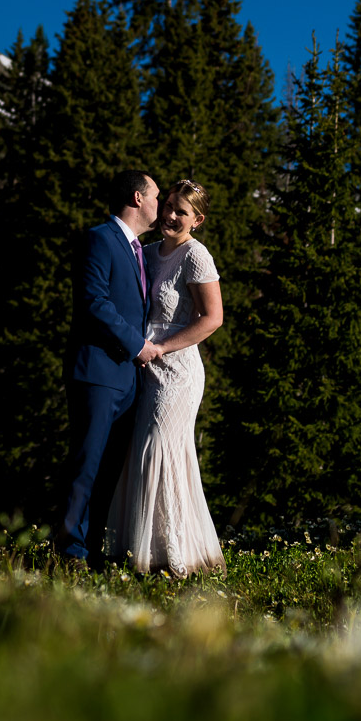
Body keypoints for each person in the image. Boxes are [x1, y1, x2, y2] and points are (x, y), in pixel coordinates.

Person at [105, 179, 225, 576]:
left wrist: (163, 348)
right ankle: (134, 548)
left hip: (178, 370)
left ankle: (173, 556)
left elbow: (212, 319)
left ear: (198, 220)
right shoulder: (149, 252)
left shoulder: (196, 256)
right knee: (140, 451)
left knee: (161, 448)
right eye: (169, 206)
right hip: (143, 366)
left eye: (182, 212)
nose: (171, 216)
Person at [58, 170, 162, 565]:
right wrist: (138, 345)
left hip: (128, 380)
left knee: (108, 473)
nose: (160, 203)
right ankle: (70, 553)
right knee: (86, 465)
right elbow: (93, 302)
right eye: (156, 195)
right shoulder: (99, 238)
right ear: (137, 198)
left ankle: (94, 551)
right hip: (97, 374)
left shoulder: (139, 249)